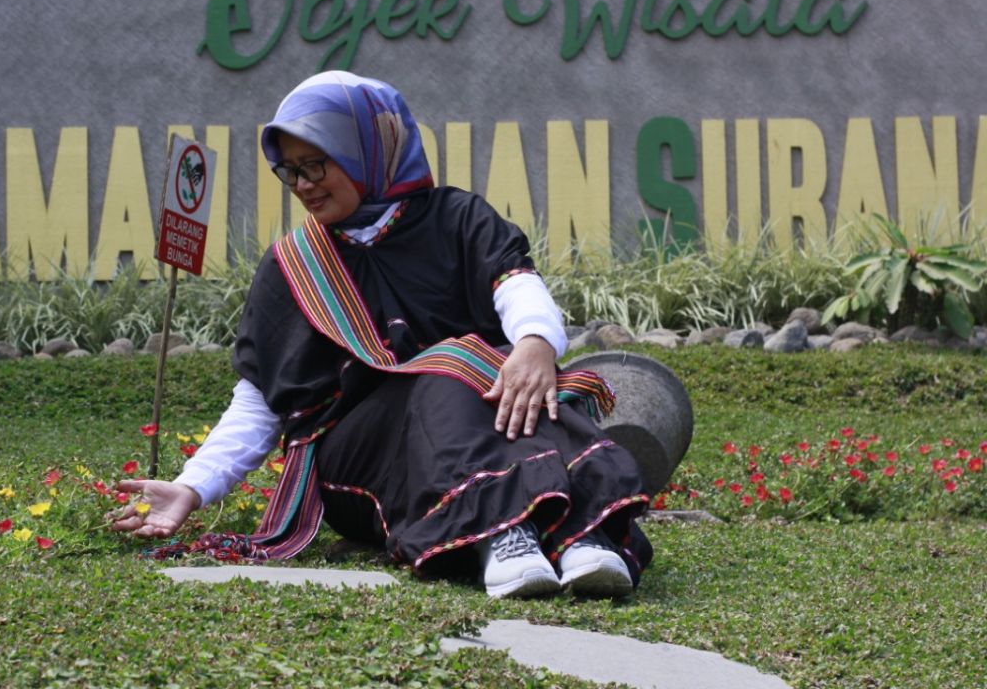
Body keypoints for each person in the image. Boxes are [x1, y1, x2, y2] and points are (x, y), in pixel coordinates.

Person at [110, 71, 652, 598]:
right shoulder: (295, 266)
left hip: (490, 419)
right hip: (364, 459)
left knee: (514, 380)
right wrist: (192, 486)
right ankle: (503, 535)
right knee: (449, 366)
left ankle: (581, 536)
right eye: (289, 171)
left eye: (315, 164)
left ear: (366, 148)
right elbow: (260, 402)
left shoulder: (457, 219)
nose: (302, 185)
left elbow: (516, 284)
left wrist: (535, 345)